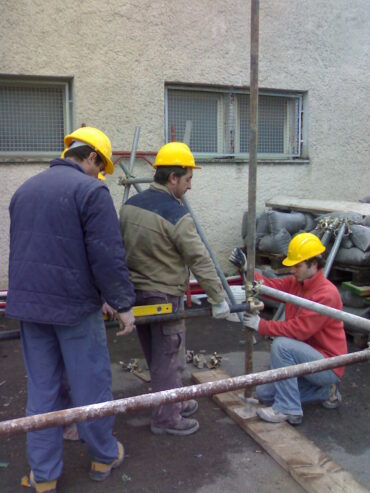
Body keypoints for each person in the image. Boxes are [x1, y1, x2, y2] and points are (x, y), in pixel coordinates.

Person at [6, 126, 136, 493]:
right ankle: (103, 456)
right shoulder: (91, 191)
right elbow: (106, 256)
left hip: (31, 307)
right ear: (92, 157)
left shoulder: (25, 190)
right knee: (91, 384)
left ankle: (44, 476)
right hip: (75, 307)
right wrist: (123, 303)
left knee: (43, 392)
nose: (101, 174)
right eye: (102, 166)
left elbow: (34, 253)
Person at [119, 142, 230, 436]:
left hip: (135, 295)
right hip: (164, 295)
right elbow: (199, 258)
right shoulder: (176, 214)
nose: (190, 186)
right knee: (168, 357)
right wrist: (219, 298)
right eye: (188, 179)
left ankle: (172, 400)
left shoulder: (129, 207)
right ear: (173, 178)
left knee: (156, 356)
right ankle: (167, 417)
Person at [242, 232, 348, 425]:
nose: (292, 270)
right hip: (307, 358)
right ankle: (326, 391)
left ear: (314, 264)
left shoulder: (327, 294)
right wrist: (247, 271)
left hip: (328, 364)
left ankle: (288, 409)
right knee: (264, 392)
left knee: (282, 346)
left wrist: (262, 325)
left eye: (297, 265)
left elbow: (300, 330)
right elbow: (271, 287)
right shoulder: (297, 282)